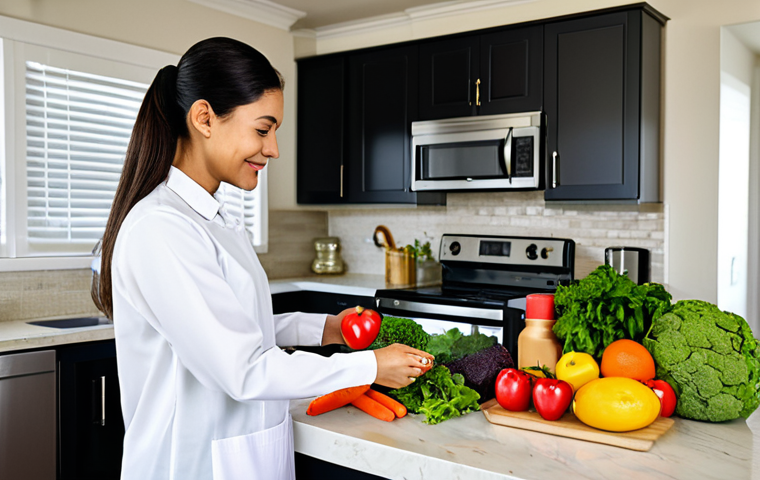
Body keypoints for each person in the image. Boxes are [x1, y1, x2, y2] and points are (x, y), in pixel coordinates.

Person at [92, 37, 433, 480]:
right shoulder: (161, 228)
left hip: (241, 454)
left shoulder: (215, 220)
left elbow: (235, 330)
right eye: (262, 129)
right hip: (189, 464)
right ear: (204, 118)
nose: (272, 149)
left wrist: (324, 328)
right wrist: (369, 364)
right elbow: (242, 368)